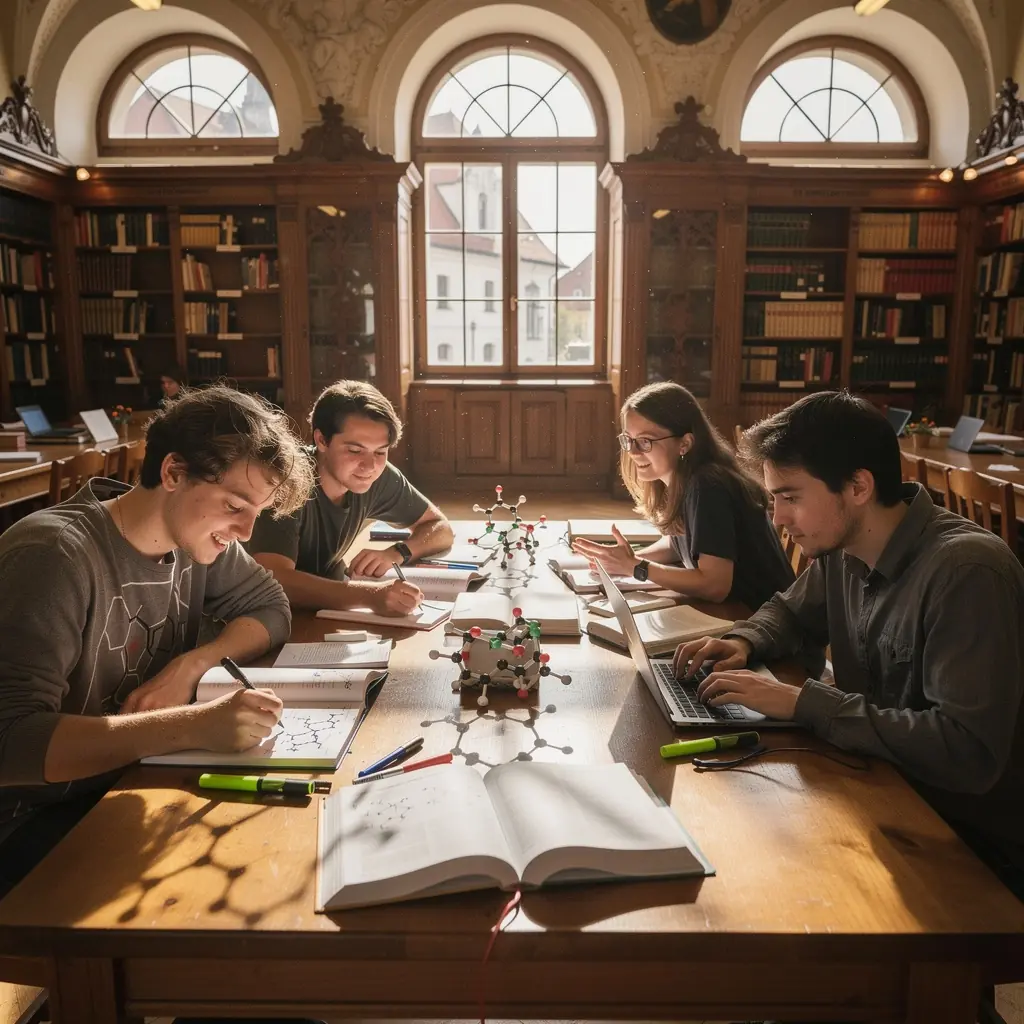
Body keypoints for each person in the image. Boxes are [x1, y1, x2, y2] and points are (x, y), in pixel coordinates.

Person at [673, 390, 1024, 899]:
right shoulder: (844, 545)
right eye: (774, 499)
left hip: (969, 843)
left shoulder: (967, 572)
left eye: (791, 497)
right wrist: (744, 641)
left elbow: (965, 750)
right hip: (881, 787)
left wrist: (804, 702)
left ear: (859, 486)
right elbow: (789, 612)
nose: (778, 518)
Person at [0, 385, 315, 899]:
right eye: (234, 505)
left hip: (127, 780)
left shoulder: (193, 536)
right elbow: (11, 741)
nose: (245, 531)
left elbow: (270, 607)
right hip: (32, 819)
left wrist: (194, 664)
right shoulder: (53, 556)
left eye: (256, 512)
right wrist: (190, 725)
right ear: (173, 473)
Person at [572, 381, 796, 610]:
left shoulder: (708, 485)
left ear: (685, 443)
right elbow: (677, 543)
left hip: (762, 621)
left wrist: (636, 567)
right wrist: (624, 560)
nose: (633, 452)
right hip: (740, 614)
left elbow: (715, 585)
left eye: (645, 441)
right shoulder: (684, 479)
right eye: (628, 440)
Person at [248, 380, 454, 617]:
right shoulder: (286, 481)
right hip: (267, 614)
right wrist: (370, 596)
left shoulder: (379, 477)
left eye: (381, 451)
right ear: (321, 440)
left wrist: (398, 552)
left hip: (326, 609)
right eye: (355, 451)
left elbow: (440, 528)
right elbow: (275, 579)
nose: (370, 466)